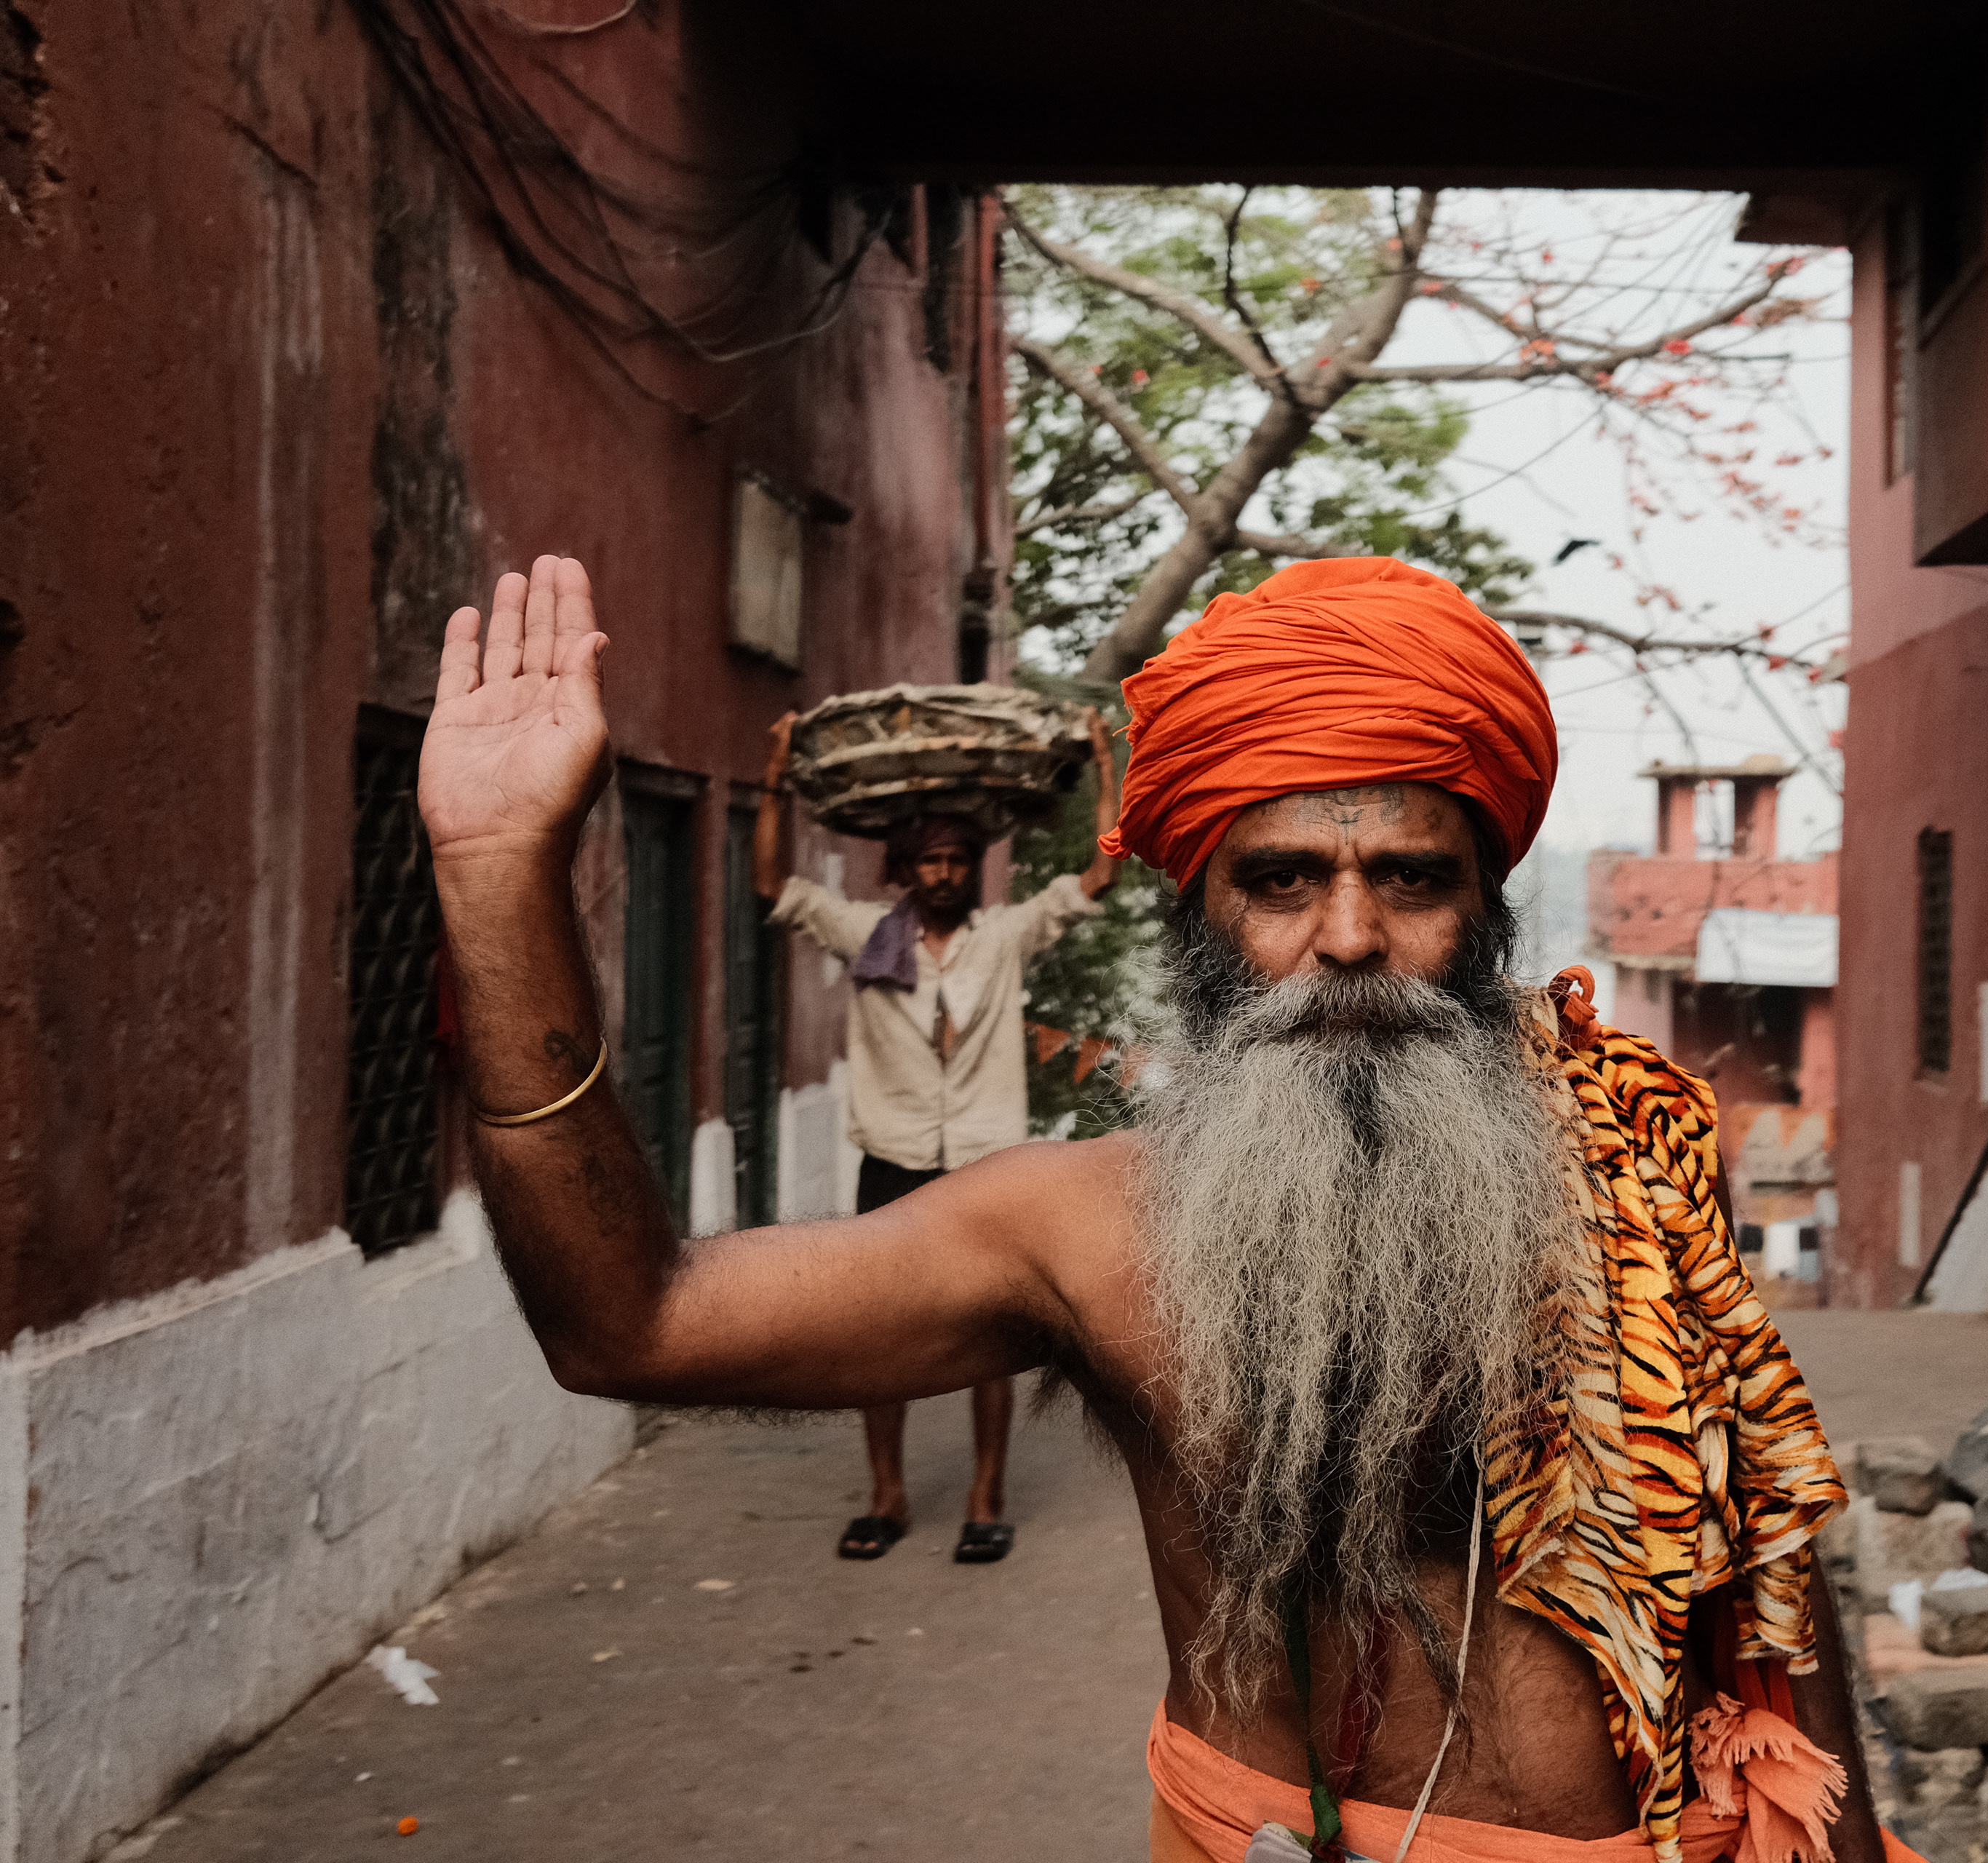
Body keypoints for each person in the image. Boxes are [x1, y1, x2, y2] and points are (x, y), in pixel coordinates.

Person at [421, 553, 1901, 1863]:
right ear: (1195, 910)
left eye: (1411, 877)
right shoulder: (1081, 1229)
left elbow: (1768, 1555)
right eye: (1279, 880)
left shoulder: (1628, 1170)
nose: (1348, 937)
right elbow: (635, 1319)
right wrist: (501, 881)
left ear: (1487, 907)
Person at [748, 705, 1120, 1564]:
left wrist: (1106, 763)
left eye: (957, 860)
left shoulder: (1004, 936)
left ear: (973, 869)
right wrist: (773, 770)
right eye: (930, 861)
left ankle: (986, 1495)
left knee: (993, 1335)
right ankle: (887, 1495)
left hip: (988, 1161)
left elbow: (1100, 876)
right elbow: (773, 886)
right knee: (873, 1333)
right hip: (893, 1157)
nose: (946, 872)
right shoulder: (866, 936)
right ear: (905, 871)